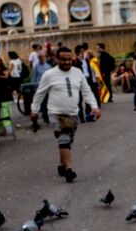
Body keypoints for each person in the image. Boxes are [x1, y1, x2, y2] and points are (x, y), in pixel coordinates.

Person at [30, 46, 101, 183]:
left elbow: (86, 91)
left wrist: (94, 107)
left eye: (69, 59)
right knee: (64, 139)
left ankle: (63, 165)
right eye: (63, 60)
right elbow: (40, 93)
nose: (67, 62)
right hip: (55, 114)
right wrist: (34, 109)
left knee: (67, 141)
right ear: (57, 59)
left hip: (73, 114)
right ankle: (69, 170)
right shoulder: (49, 75)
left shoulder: (78, 73)